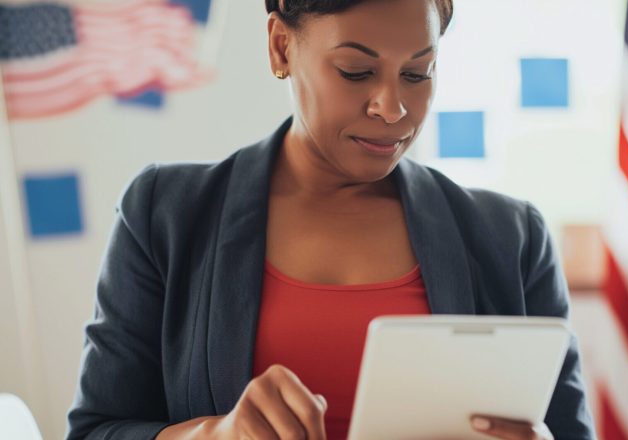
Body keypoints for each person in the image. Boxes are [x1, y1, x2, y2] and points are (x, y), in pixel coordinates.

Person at [65, 0, 596, 439]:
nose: (393, 108)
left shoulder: (513, 237)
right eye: (356, 71)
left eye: (418, 73)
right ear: (280, 46)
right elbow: (96, 430)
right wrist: (214, 434)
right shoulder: (165, 213)